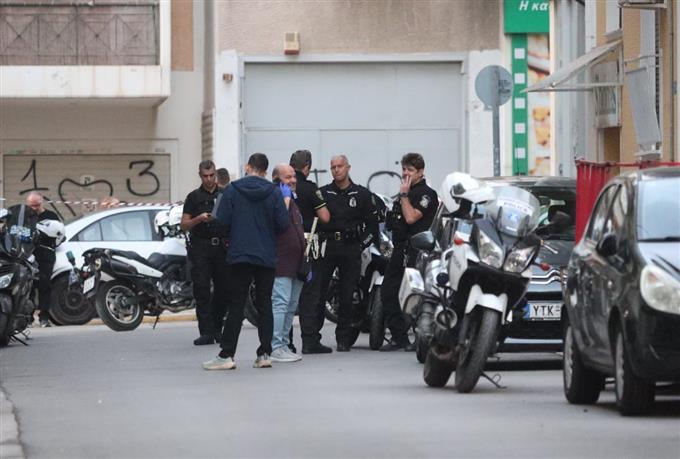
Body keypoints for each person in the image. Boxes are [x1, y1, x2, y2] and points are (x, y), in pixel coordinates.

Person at [203, 153, 289, 370]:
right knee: (265, 302)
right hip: (266, 255)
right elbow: (283, 224)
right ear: (266, 171)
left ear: (248, 167)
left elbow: (221, 222)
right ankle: (265, 353)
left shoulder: (232, 189)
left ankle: (227, 354)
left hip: (240, 254)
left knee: (236, 305)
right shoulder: (274, 192)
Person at [318, 155, 379, 352]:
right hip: (328, 246)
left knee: (347, 295)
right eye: (333, 167)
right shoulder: (323, 193)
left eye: (340, 166)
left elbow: (372, 228)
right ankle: (312, 338)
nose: (336, 170)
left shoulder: (361, 194)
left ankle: (343, 339)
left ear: (348, 168)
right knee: (319, 291)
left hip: (351, 247)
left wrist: (360, 246)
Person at [380, 153, 438, 351]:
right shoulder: (406, 192)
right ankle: (399, 337)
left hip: (417, 251)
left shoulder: (426, 194)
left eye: (410, 170)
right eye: (404, 169)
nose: (406, 173)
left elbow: (411, 217)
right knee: (389, 291)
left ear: (420, 172)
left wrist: (404, 196)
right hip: (400, 249)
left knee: (416, 295)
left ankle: (420, 337)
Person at [181, 160, 229, 346]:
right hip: (201, 247)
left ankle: (217, 327)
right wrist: (199, 219)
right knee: (201, 289)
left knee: (223, 289)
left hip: (221, 247)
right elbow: (184, 224)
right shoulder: (193, 197)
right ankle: (206, 332)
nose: (209, 179)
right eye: (205, 176)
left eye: (212, 175)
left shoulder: (224, 194)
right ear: (200, 175)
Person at [289, 150, 332, 354]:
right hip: (309, 246)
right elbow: (325, 217)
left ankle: (285, 342)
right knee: (310, 294)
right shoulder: (310, 188)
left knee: (285, 295)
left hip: (286, 245)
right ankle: (310, 340)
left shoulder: (281, 187)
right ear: (307, 167)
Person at [269, 164, 306, 363]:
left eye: (294, 177)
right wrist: (284, 200)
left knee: (291, 306)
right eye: (287, 177)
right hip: (282, 261)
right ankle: (275, 347)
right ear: (277, 180)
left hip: (296, 262)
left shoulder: (292, 200)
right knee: (281, 304)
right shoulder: (276, 199)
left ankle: (283, 344)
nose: (292, 180)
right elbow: (277, 223)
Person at [25, 193, 61, 327]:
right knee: (28, 285)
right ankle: (27, 317)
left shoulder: (51, 216)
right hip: (28, 254)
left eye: (37, 205)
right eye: (32, 205)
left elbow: (59, 233)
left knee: (45, 285)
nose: (34, 208)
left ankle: (44, 317)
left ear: (42, 202)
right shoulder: (25, 216)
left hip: (46, 254)